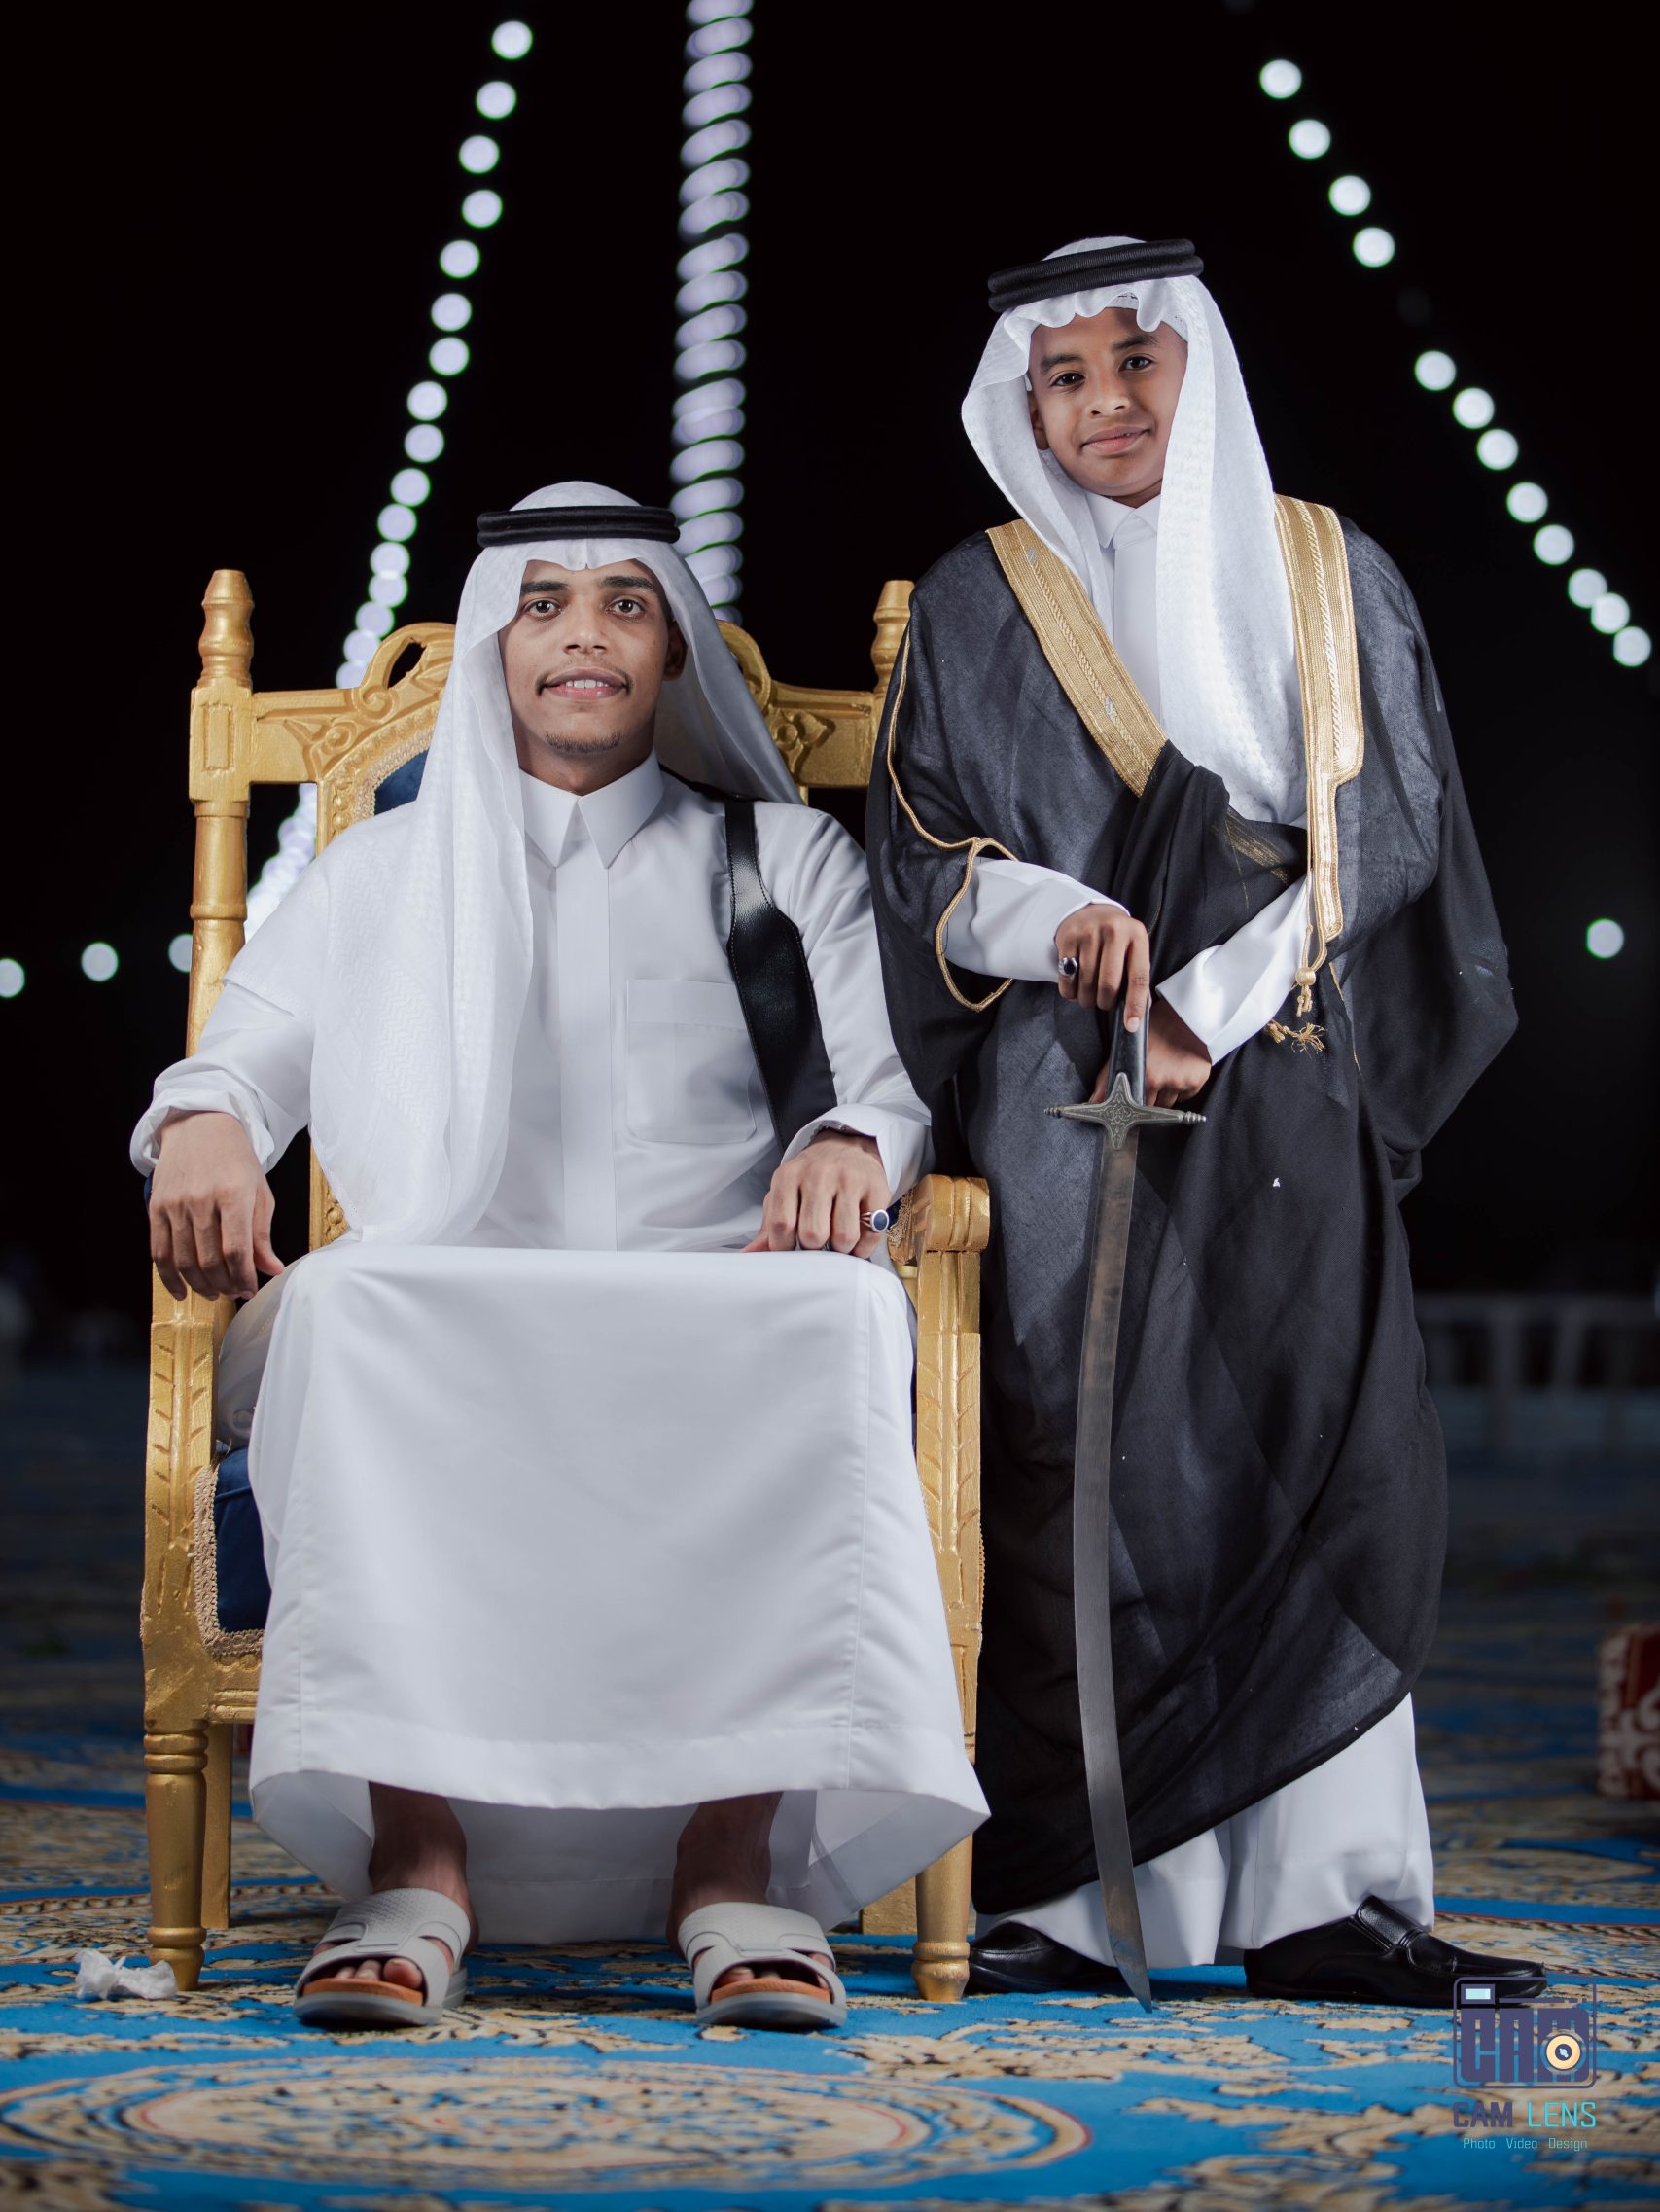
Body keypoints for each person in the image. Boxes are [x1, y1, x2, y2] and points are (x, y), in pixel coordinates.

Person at [135, 482, 984, 2033]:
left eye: (623, 603)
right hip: (447, 1307)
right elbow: (237, 1063)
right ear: (495, 647)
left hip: (714, 1293)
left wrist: (852, 1147)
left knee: (839, 1314)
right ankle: (416, 1866)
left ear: (670, 652)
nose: (583, 635)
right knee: (343, 1307)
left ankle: (731, 1870)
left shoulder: (785, 859)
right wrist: (200, 1124)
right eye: (544, 604)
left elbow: (883, 1091)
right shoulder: (381, 872)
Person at [867, 236, 1544, 2007]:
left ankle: (1332, 1903)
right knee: (1086, 1480)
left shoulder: (1322, 568)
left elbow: (1383, 830)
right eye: (1064, 378)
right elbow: (923, 857)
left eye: (1134, 364)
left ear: (1200, 370)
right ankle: (1081, 1904)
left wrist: (1204, 1005)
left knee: (1326, 1453)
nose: (1104, 404)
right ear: (1025, 406)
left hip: (1279, 1066)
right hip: (1057, 1093)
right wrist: (1069, 939)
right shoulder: (977, 599)